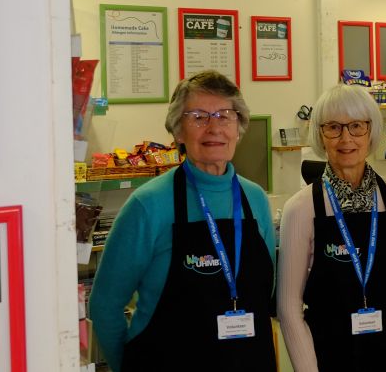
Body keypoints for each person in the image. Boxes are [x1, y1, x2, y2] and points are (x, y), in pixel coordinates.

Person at [90, 71, 277, 372]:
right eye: (199, 116)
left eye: (225, 115)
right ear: (178, 131)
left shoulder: (254, 199)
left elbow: (267, 291)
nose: (214, 127)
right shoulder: (148, 204)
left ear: (239, 127)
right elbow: (104, 306)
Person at [277, 82, 386, 371]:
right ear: (321, 136)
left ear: (371, 131)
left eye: (357, 126)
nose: (346, 138)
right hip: (331, 357)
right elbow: (288, 307)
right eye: (333, 127)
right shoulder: (301, 209)